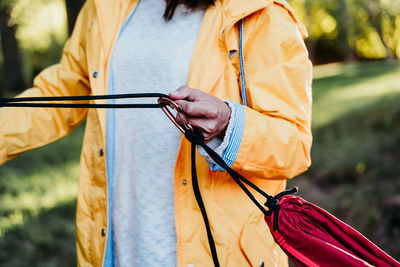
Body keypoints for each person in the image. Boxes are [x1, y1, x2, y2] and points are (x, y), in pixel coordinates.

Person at [0, 0, 312, 266]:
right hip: (120, 246)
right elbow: (59, 94)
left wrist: (229, 123)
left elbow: (294, 143)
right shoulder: (104, 7)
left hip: (217, 252)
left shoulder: (260, 13)